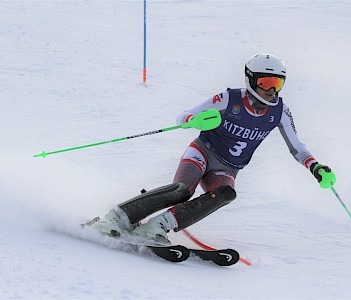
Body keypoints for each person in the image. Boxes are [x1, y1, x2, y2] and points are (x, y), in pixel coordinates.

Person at [89, 53, 336, 244]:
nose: (272, 90)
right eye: (266, 82)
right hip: (203, 152)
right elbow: (184, 117)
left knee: (226, 194)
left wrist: (316, 167)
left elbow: (298, 148)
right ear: (251, 80)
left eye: (277, 84)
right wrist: (193, 120)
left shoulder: (280, 111)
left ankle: (156, 227)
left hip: (228, 167)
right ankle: (116, 218)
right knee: (182, 189)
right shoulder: (229, 99)